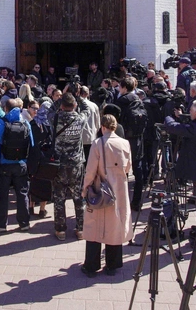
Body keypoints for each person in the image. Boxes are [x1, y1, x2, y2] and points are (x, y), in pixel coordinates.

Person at [80, 114, 132, 277]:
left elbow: (90, 170)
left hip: (100, 188)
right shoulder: (125, 143)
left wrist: (85, 187)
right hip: (119, 190)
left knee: (94, 226)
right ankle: (112, 264)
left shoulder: (98, 143)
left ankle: (92, 265)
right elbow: (128, 168)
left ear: (102, 127)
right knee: (115, 226)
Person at [0, 98, 33, 232]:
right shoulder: (26, 123)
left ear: (5, 109)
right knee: (22, 193)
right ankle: (24, 223)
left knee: (2, 194)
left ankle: (1, 224)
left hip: (3, 164)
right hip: (21, 164)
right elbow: (32, 144)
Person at [52, 93, 88, 241]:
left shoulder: (56, 118)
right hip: (76, 163)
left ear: (61, 106)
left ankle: (60, 230)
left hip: (59, 163)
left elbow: (50, 109)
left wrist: (60, 100)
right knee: (78, 196)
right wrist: (79, 96)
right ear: (74, 106)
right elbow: (86, 109)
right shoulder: (80, 119)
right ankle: (81, 229)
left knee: (59, 197)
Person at [116, 77, 148, 211]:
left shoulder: (121, 101)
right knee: (138, 171)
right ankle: (137, 201)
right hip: (138, 140)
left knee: (122, 172)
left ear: (124, 87)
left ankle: (121, 202)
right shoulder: (138, 100)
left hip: (124, 140)